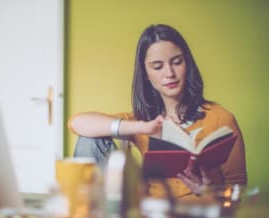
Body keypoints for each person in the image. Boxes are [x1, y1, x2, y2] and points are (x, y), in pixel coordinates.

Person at [68, 24, 247, 199]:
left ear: (188, 64)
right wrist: (141, 127)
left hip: (199, 216)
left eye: (177, 62)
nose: (169, 73)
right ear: (146, 73)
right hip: (149, 217)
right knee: (89, 139)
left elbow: (238, 190)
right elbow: (77, 123)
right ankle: (97, 216)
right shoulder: (143, 122)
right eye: (157, 66)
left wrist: (209, 192)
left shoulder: (220, 118)